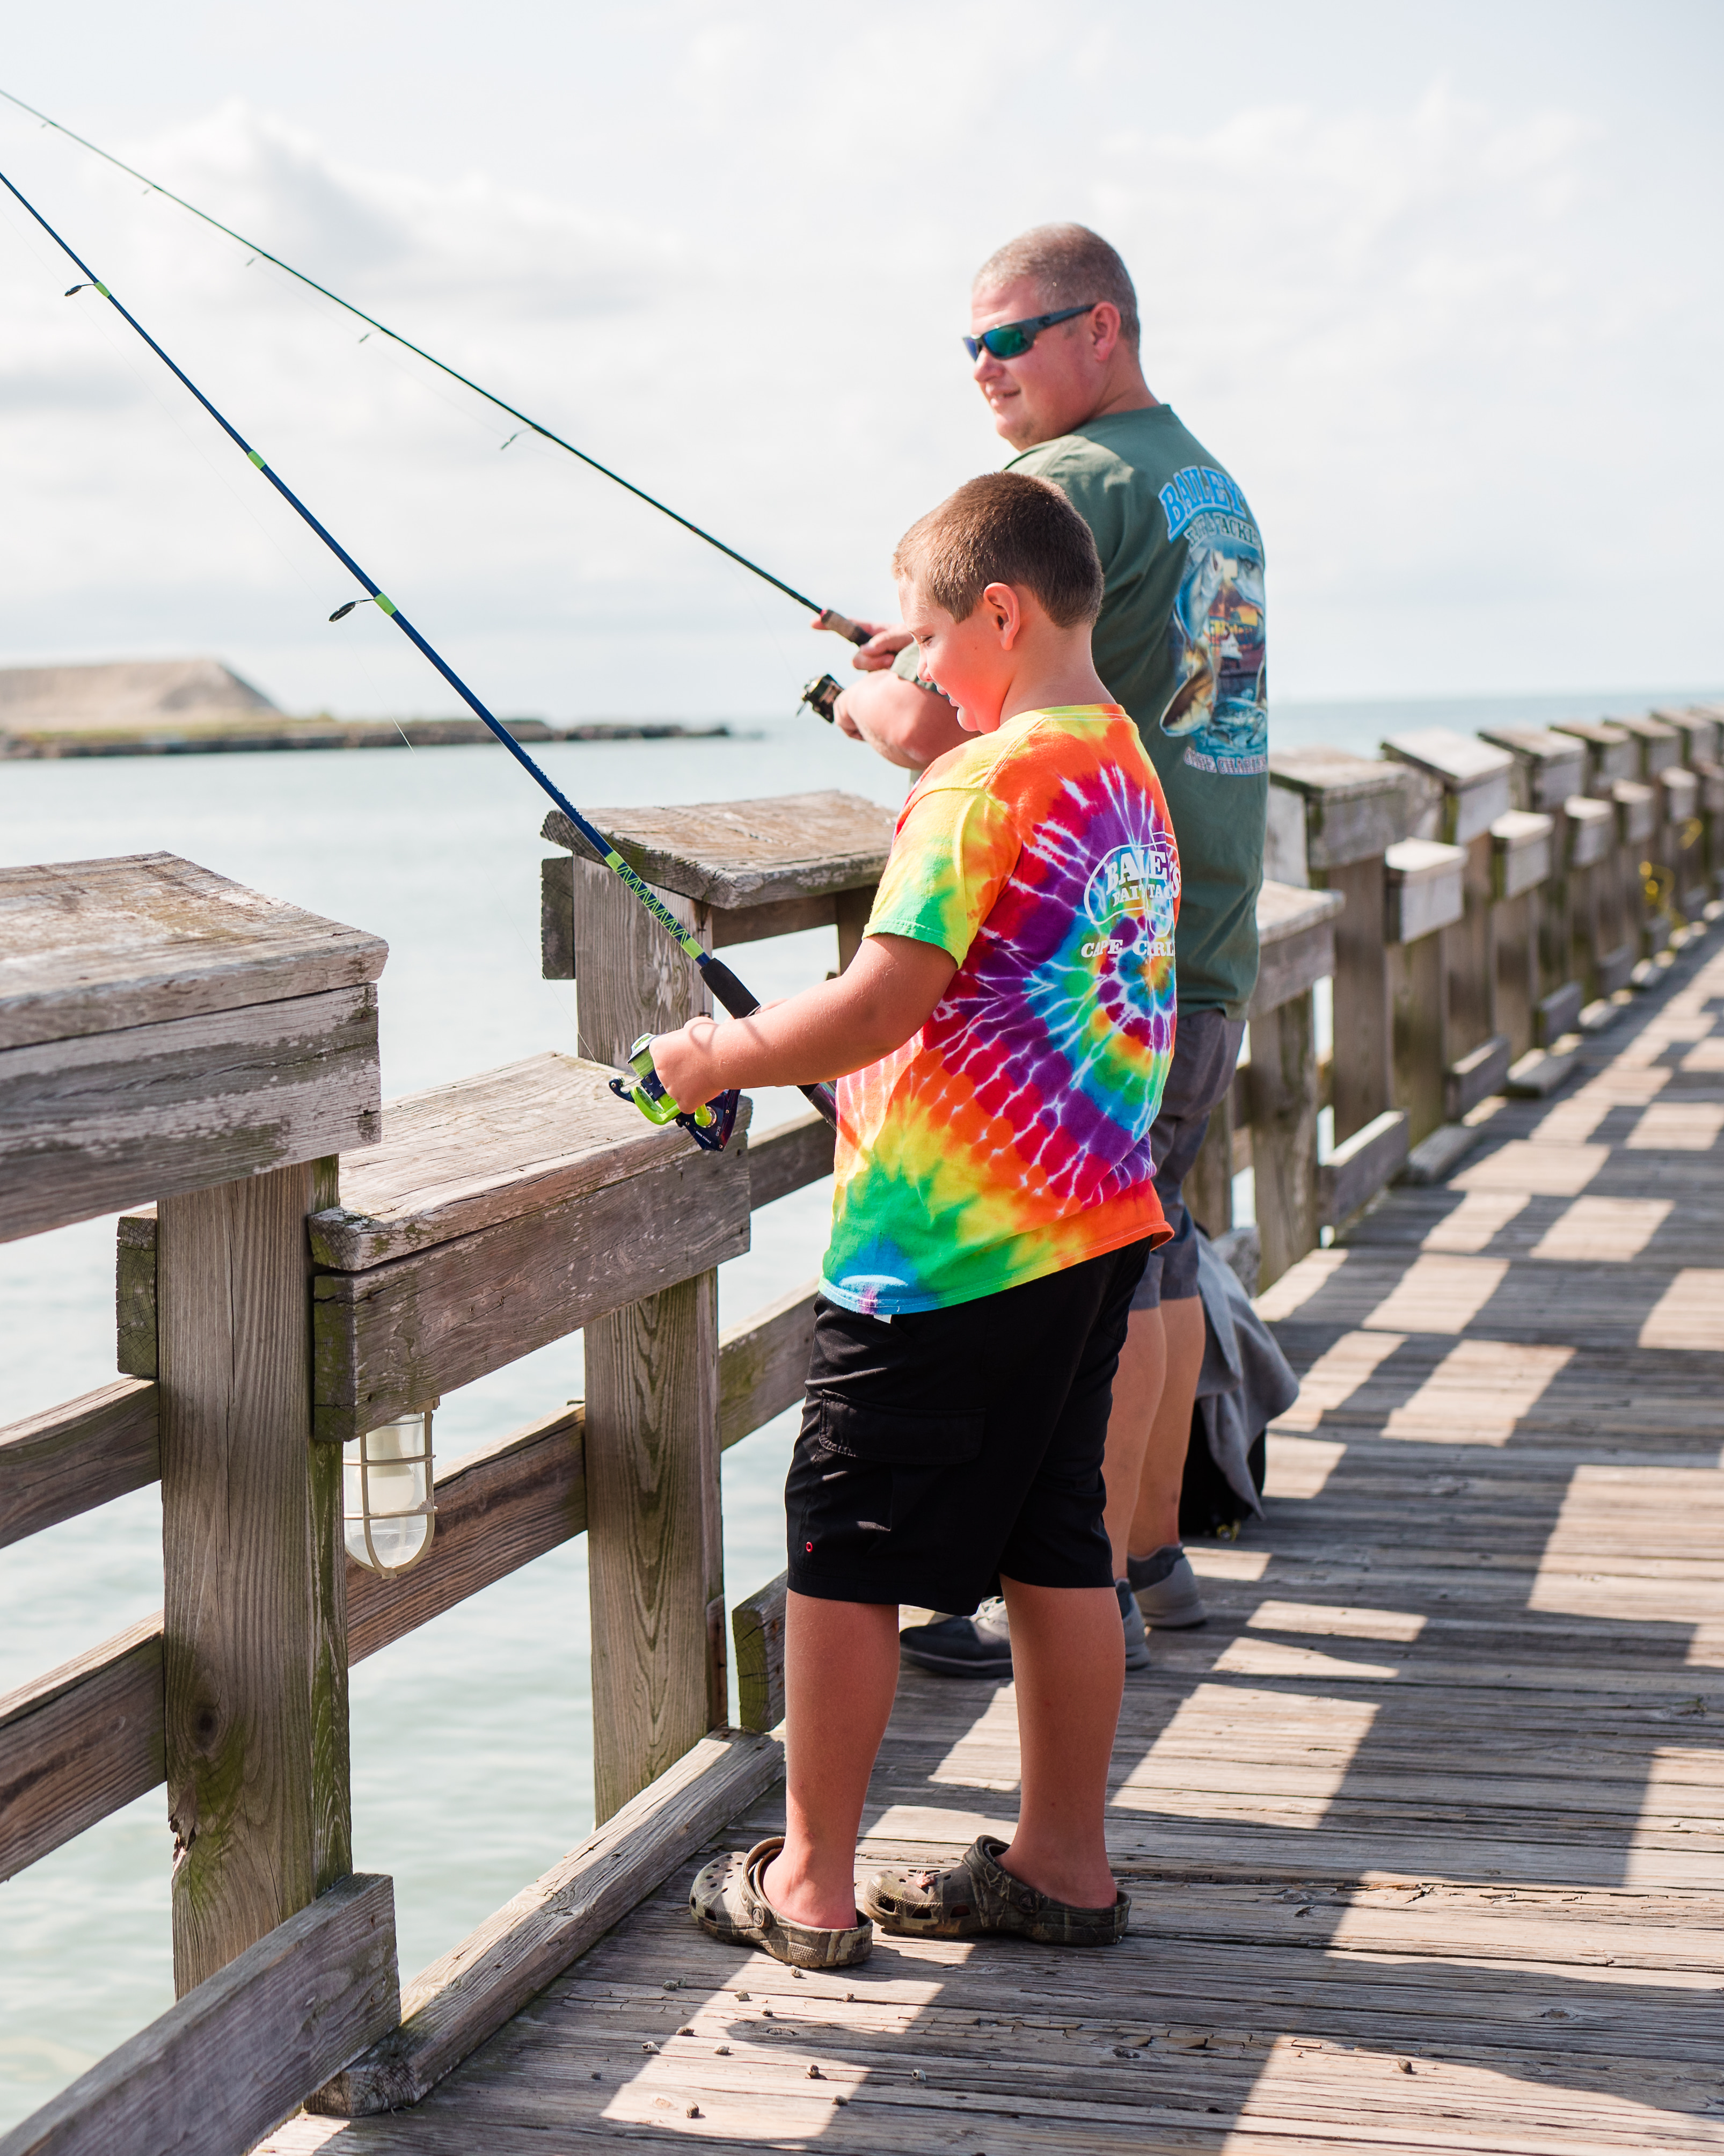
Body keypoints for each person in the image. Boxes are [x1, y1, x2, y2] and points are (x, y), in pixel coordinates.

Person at [663, 470, 1174, 1964]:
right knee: (1052, 1537)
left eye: (937, 638)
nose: (925, 669)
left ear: (1001, 615)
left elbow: (885, 996)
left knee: (842, 1538)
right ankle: (1063, 1865)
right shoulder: (1116, 760)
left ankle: (809, 1883)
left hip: (942, 1251)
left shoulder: (975, 786)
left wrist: (714, 1054)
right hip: (1092, 1227)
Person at [850, 224, 1267, 1679]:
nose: (985, 368)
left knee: (1058, 1275)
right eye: (970, 344)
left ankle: (1056, 1579)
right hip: (1192, 922)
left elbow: (951, 731)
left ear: (1104, 329)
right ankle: (1145, 1561)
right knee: (1142, 1246)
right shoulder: (1201, 479)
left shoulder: (1067, 481)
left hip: (1076, 952)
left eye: (1013, 338)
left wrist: (877, 701)